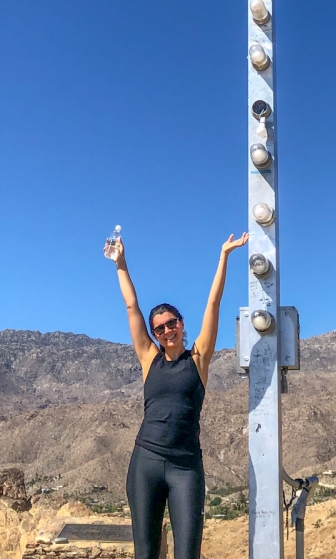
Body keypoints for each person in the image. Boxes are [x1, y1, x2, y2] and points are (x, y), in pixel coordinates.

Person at [106, 230, 249, 559]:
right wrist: (120, 263)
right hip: (146, 463)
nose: (167, 331)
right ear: (155, 335)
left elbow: (213, 304)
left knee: (187, 553)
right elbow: (131, 306)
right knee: (146, 553)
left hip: (185, 467)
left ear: (181, 324)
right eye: (159, 328)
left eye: (171, 323)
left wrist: (224, 256)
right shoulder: (149, 358)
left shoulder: (198, 359)